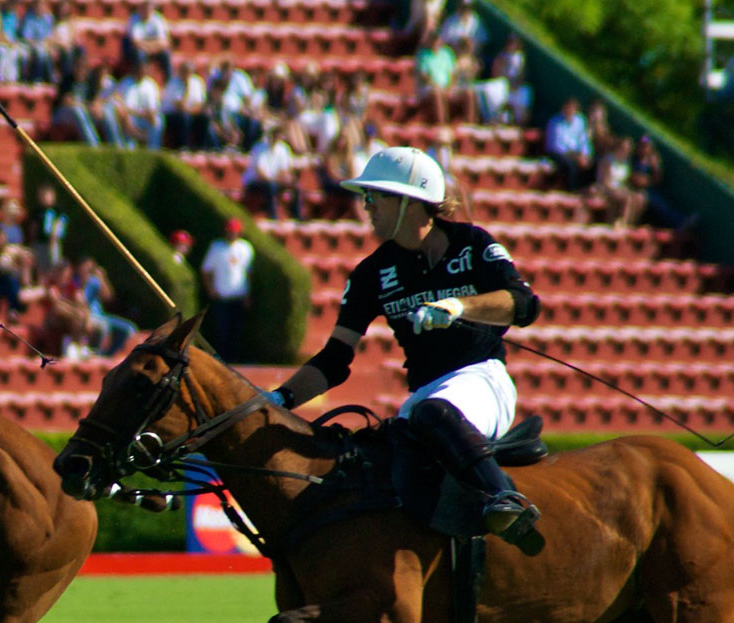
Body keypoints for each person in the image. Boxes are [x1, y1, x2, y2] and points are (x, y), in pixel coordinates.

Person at [261, 147, 542, 547]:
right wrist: (278, 398)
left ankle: (507, 500)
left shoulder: (472, 244)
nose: (366, 206)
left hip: (481, 380)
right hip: (424, 396)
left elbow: (525, 305)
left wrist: (460, 306)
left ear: (410, 201)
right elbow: (336, 359)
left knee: (432, 413)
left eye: (375, 197)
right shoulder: (372, 273)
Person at [199, 217, 253, 359]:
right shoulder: (216, 247)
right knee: (222, 330)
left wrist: (248, 295)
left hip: (239, 295)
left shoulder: (245, 248)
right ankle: (221, 359)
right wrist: (210, 289)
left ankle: (234, 359)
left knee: (236, 331)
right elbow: (205, 270)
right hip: (222, 295)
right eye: (229, 231)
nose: (231, 234)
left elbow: (248, 272)